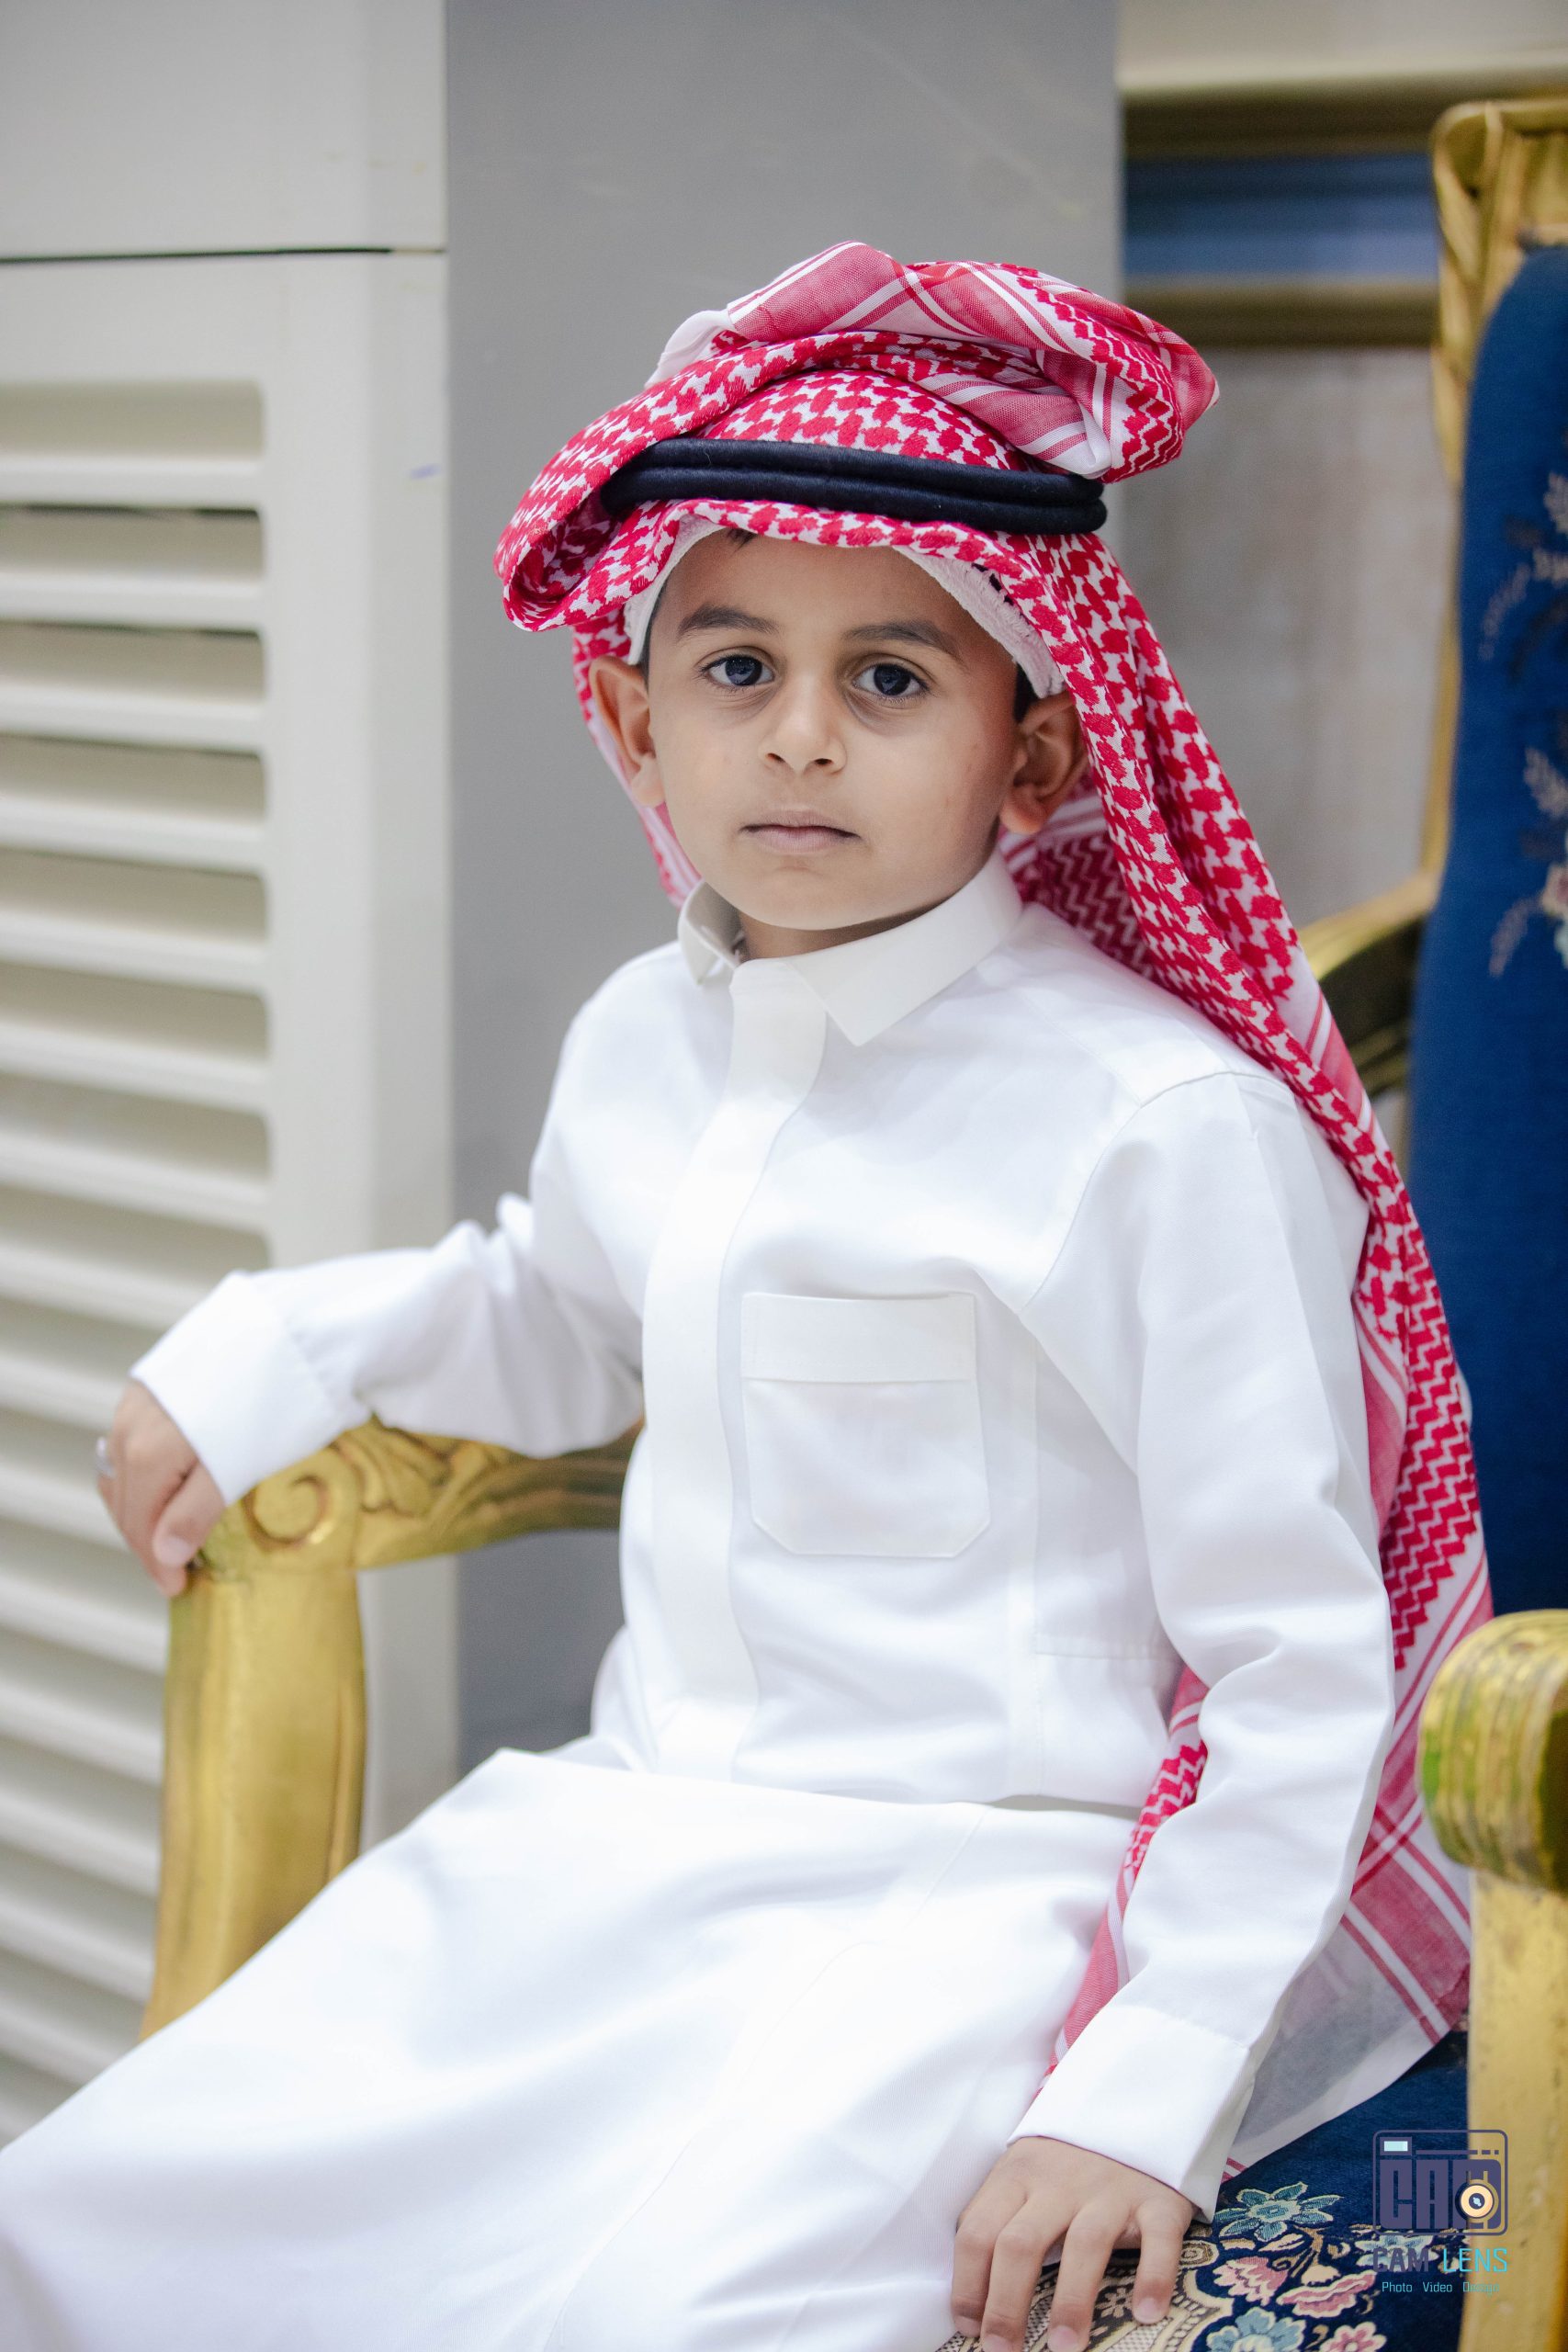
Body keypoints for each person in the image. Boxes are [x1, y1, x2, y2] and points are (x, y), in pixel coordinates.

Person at [0, 244, 1489, 2352]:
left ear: (1033, 752)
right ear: (632, 716)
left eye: (887, 678)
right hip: (617, 1850)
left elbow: (1292, 1662)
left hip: (981, 1903)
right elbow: (556, 1313)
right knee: (101, 2214)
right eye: (731, 668)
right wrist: (269, 1353)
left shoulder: (1159, 1126)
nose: (797, 736)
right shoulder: (643, 1036)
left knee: (657, 2313)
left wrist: (1137, 2086)